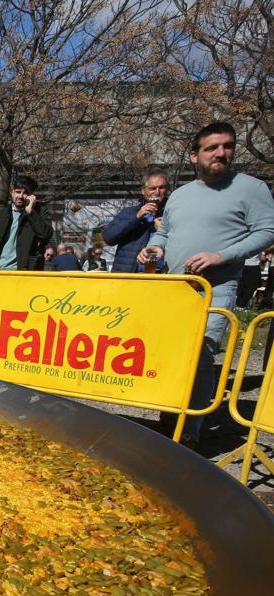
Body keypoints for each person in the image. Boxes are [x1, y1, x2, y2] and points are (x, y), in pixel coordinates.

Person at [138, 121, 274, 447]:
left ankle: (190, 435)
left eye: (227, 146)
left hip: (216, 288)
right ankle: (169, 420)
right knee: (170, 355)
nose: (221, 153)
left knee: (199, 357)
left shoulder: (251, 188)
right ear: (194, 155)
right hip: (175, 289)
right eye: (212, 148)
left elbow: (267, 232)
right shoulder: (181, 195)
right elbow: (165, 233)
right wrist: (155, 247)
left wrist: (220, 255)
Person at [103, 168, 170, 273]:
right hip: (128, 276)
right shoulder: (129, 212)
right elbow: (108, 238)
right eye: (152, 188)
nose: (157, 192)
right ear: (143, 191)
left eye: (161, 188)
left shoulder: (171, 214)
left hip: (160, 275)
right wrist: (136, 217)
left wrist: (164, 230)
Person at [0, 174, 53, 270]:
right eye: (18, 192)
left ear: (31, 195)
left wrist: (31, 213)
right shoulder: (1, 213)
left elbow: (46, 235)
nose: (20, 196)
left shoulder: (39, 213)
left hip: (23, 273)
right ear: (12, 193)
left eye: (25, 193)